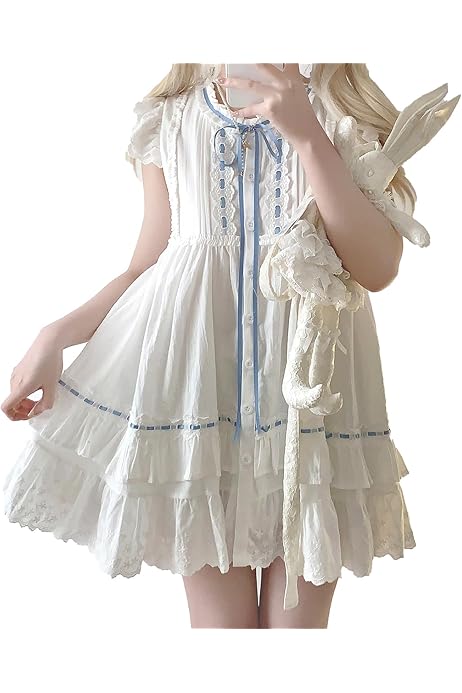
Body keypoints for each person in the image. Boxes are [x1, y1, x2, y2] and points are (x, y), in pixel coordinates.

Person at [2, 63, 458, 629]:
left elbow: (377, 267)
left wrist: (307, 135)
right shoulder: (170, 120)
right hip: (201, 410)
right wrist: (56, 335)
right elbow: (146, 268)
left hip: (310, 419)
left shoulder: (340, 113)